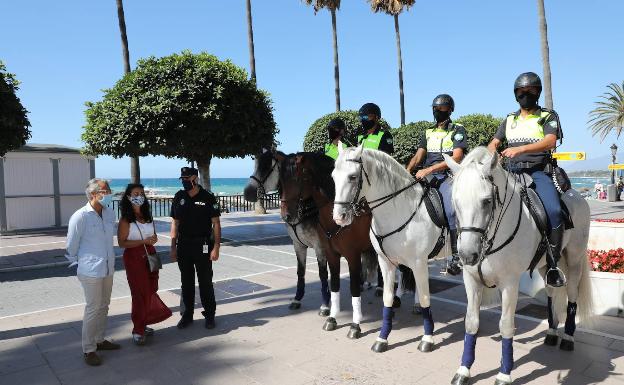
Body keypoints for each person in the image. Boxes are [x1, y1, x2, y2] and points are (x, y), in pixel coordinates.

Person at [488, 72, 566, 287]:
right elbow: (494, 142)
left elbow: (550, 141)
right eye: (522, 92)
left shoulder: (548, 116)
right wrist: (489, 153)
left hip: (538, 172)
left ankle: (552, 265)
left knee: (553, 210)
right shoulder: (508, 120)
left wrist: (520, 148)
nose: (526, 95)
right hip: (510, 173)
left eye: (531, 91)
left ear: (538, 92)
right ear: (516, 94)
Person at [406, 94, 467, 275]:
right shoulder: (427, 132)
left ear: (450, 110)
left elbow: (457, 157)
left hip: (448, 175)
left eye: (441, 109)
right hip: (427, 175)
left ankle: (457, 255)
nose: (437, 112)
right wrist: (408, 170)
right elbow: (419, 156)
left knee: (450, 209)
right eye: (435, 108)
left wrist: (429, 170)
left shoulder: (458, 129)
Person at [66, 178, 120, 366]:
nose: (109, 193)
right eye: (105, 191)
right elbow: (71, 245)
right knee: (92, 308)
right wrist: (81, 263)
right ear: (93, 194)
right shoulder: (80, 216)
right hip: (90, 270)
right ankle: (89, 350)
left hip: (108, 267)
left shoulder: (110, 213)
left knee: (104, 305)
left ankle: (99, 340)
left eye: (109, 190)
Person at [117, 184, 172, 346]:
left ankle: (144, 322)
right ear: (128, 196)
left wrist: (153, 239)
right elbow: (122, 243)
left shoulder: (147, 215)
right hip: (134, 258)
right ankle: (138, 329)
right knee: (139, 293)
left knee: (151, 289)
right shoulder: (126, 219)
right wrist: (143, 241)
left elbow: (152, 235)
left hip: (151, 254)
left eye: (141, 193)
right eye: (135, 193)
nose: (139, 196)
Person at [170, 167, 222, 329]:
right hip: (184, 245)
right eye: (182, 179)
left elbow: (216, 223)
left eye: (188, 178)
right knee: (186, 282)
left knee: (205, 281)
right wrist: (173, 247)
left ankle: (210, 315)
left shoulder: (207, 197)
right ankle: (187, 315)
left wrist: (216, 247)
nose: (185, 181)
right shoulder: (179, 196)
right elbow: (175, 223)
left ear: (196, 178)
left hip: (203, 245)